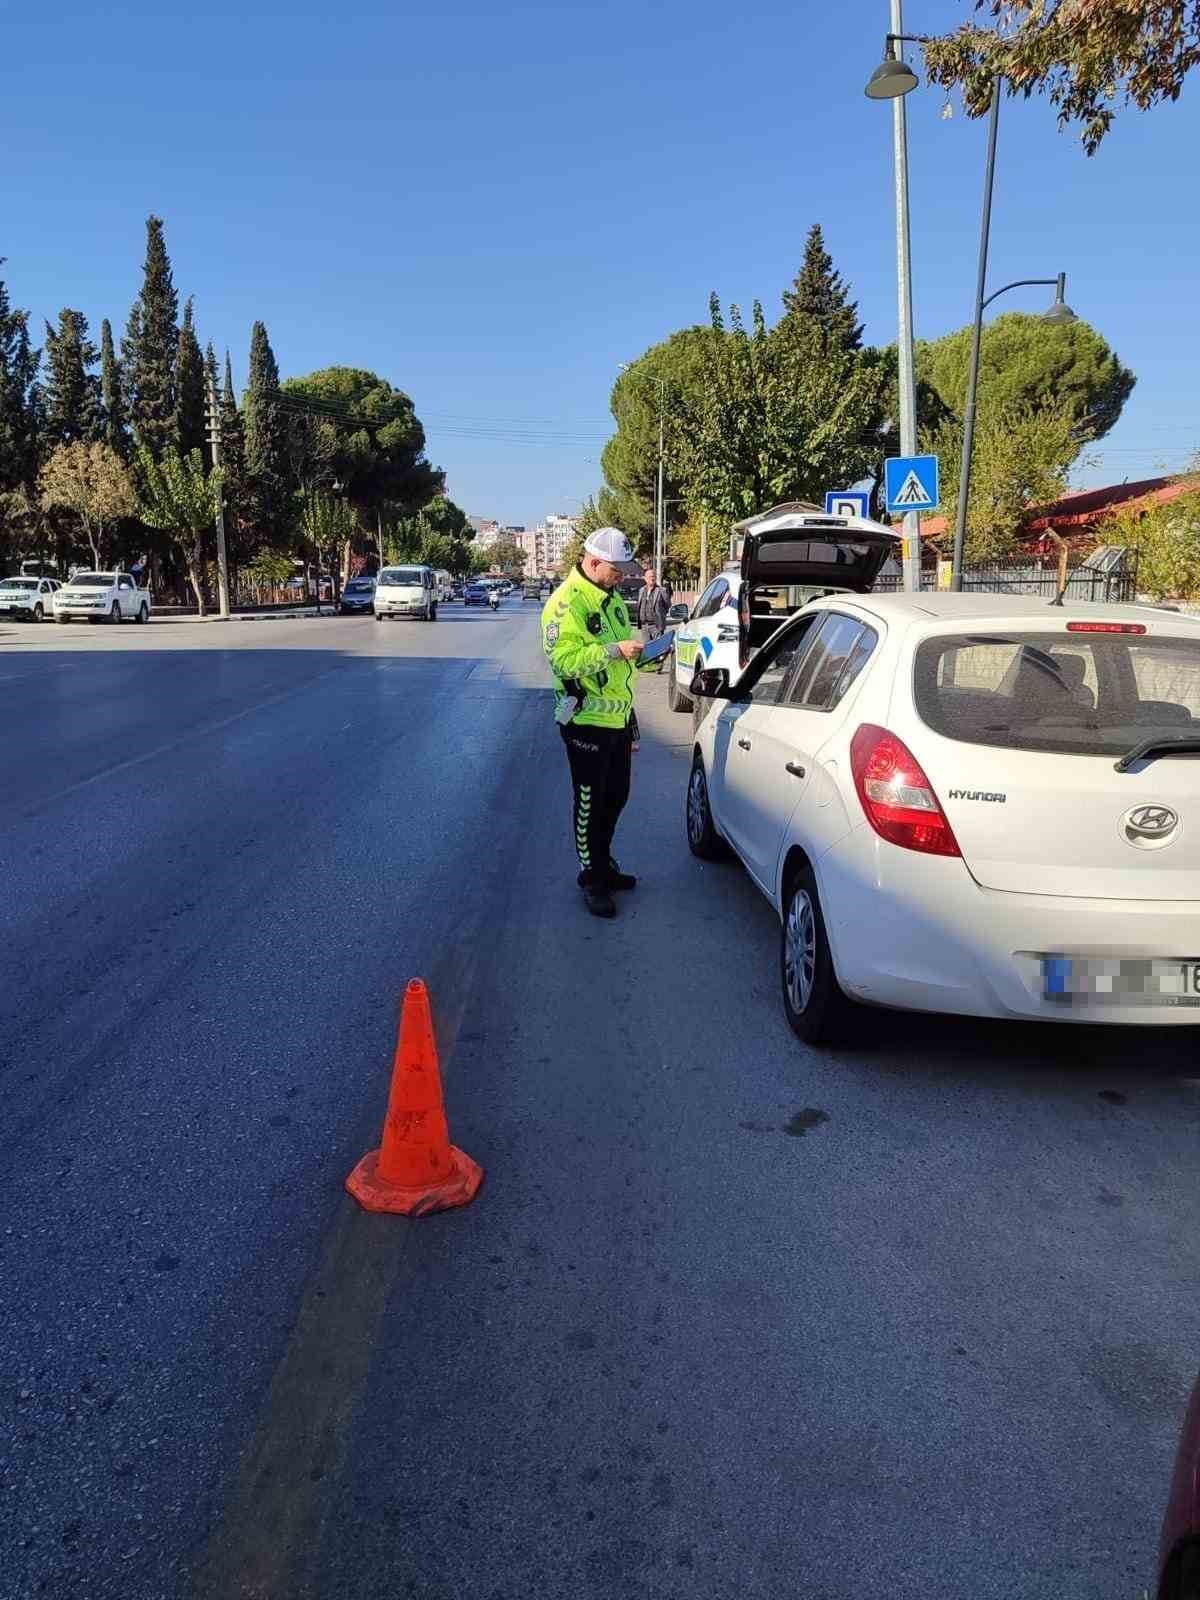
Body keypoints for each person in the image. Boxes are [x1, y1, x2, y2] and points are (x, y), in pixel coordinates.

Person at [541, 528, 658, 918]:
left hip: (617, 721)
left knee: (616, 796)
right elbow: (563, 661)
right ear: (592, 563)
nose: (623, 575)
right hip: (585, 721)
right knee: (590, 802)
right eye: (616, 569)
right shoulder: (566, 605)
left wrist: (642, 656)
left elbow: (621, 667)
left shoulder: (614, 602)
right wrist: (614, 650)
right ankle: (591, 877)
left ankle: (604, 862)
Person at [636, 566, 671, 671]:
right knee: (648, 648)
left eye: (654, 576)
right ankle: (651, 665)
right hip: (644, 624)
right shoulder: (641, 590)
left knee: (658, 648)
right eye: (650, 576)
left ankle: (658, 666)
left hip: (656, 624)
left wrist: (661, 616)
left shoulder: (661, 590)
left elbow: (667, 604)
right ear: (645, 578)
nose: (652, 578)